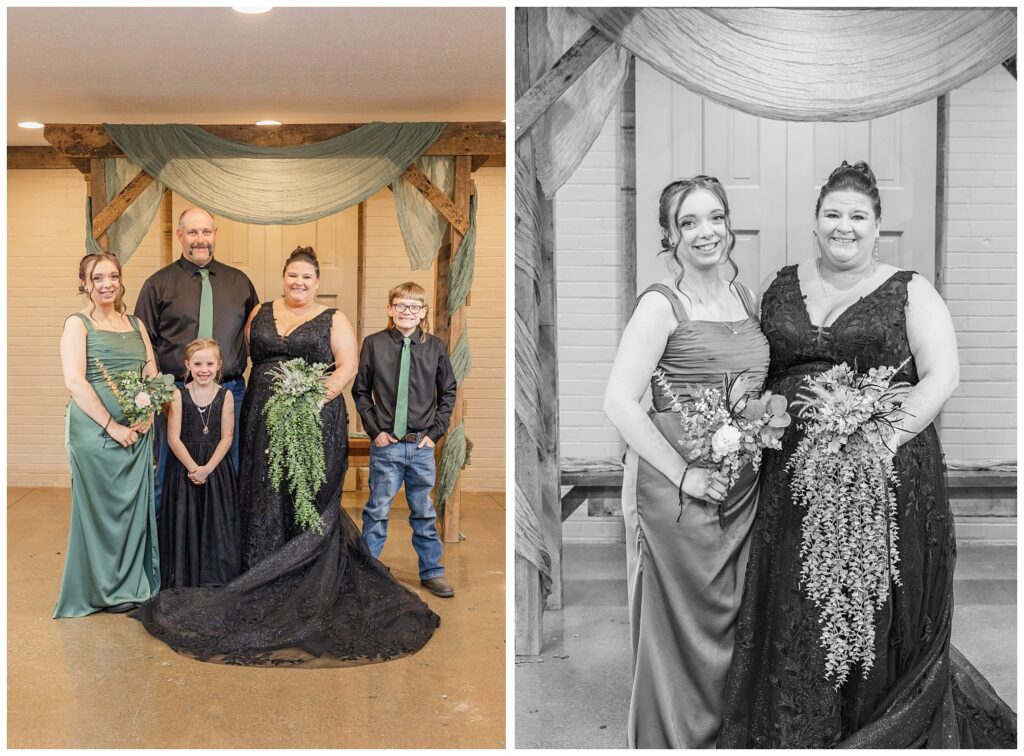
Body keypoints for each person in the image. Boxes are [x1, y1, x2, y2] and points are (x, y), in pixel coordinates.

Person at [718, 161, 1016, 747]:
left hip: (883, 473)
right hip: (793, 479)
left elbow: (942, 375)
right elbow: (759, 362)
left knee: (865, 603)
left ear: (878, 227)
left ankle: (869, 720)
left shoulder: (910, 289)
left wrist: (877, 437)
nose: (844, 226)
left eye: (858, 216)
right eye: (833, 214)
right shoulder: (781, 284)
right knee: (797, 598)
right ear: (815, 222)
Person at [133, 247, 439, 665]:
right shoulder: (260, 309)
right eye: (292, 276)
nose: (299, 283)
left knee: (307, 497)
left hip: (314, 420)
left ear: (317, 283)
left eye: (307, 278)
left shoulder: (334, 318)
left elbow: (346, 368)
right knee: (263, 492)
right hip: (261, 417)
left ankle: (305, 573)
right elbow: (244, 362)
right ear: (284, 277)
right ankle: (259, 571)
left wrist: (313, 399)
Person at [603, 177, 769, 748]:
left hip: (744, 487)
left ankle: (726, 731)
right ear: (669, 236)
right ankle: (672, 738)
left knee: (737, 615)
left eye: (716, 218)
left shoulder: (746, 299)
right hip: (679, 491)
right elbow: (618, 402)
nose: (707, 232)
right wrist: (685, 474)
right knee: (682, 622)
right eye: (690, 222)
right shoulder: (660, 304)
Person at [54, 253, 160, 617]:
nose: (106, 284)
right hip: (95, 433)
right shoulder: (78, 324)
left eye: (112, 276)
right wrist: (111, 425)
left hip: (137, 431)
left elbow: (151, 371)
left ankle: (129, 584)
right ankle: (100, 589)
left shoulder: (135, 323)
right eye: (97, 277)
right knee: (100, 512)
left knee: (131, 511)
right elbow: (74, 381)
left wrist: (147, 412)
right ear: (84, 282)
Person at [134, 207, 259, 516]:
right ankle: (168, 550)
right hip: (174, 392)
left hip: (230, 392)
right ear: (180, 236)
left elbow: (255, 337)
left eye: (206, 232)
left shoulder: (239, 282)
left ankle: (224, 548)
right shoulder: (157, 284)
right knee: (168, 470)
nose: (200, 239)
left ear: (215, 235)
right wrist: (153, 397)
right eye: (192, 232)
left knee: (230, 469)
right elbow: (141, 343)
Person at [353, 282, 458, 599]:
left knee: (424, 512)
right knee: (377, 511)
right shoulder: (374, 344)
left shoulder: (435, 347)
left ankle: (432, 572)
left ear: (423, 312)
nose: (407, 312)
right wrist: (375, 431)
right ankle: (367, 571)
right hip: (388, 445)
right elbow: (360, 391)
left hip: (420, 446)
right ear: (389, 309)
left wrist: (434, 434)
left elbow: (448, 393)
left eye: (414, 307)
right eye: (400, 305)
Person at [159, 338, 241, 588]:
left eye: (209, 363)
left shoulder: (226, 396)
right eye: (197, 363)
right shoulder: (178, 394)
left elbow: (227, 438)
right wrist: (193, 467)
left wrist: (206, 469)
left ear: (218, 366)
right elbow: (173, 437)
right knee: (187, 520)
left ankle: (213, 577)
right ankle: (186, 576)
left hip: (215, 469)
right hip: (184, 468)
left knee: (214, 522)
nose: (203, 369)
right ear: (187, 365)